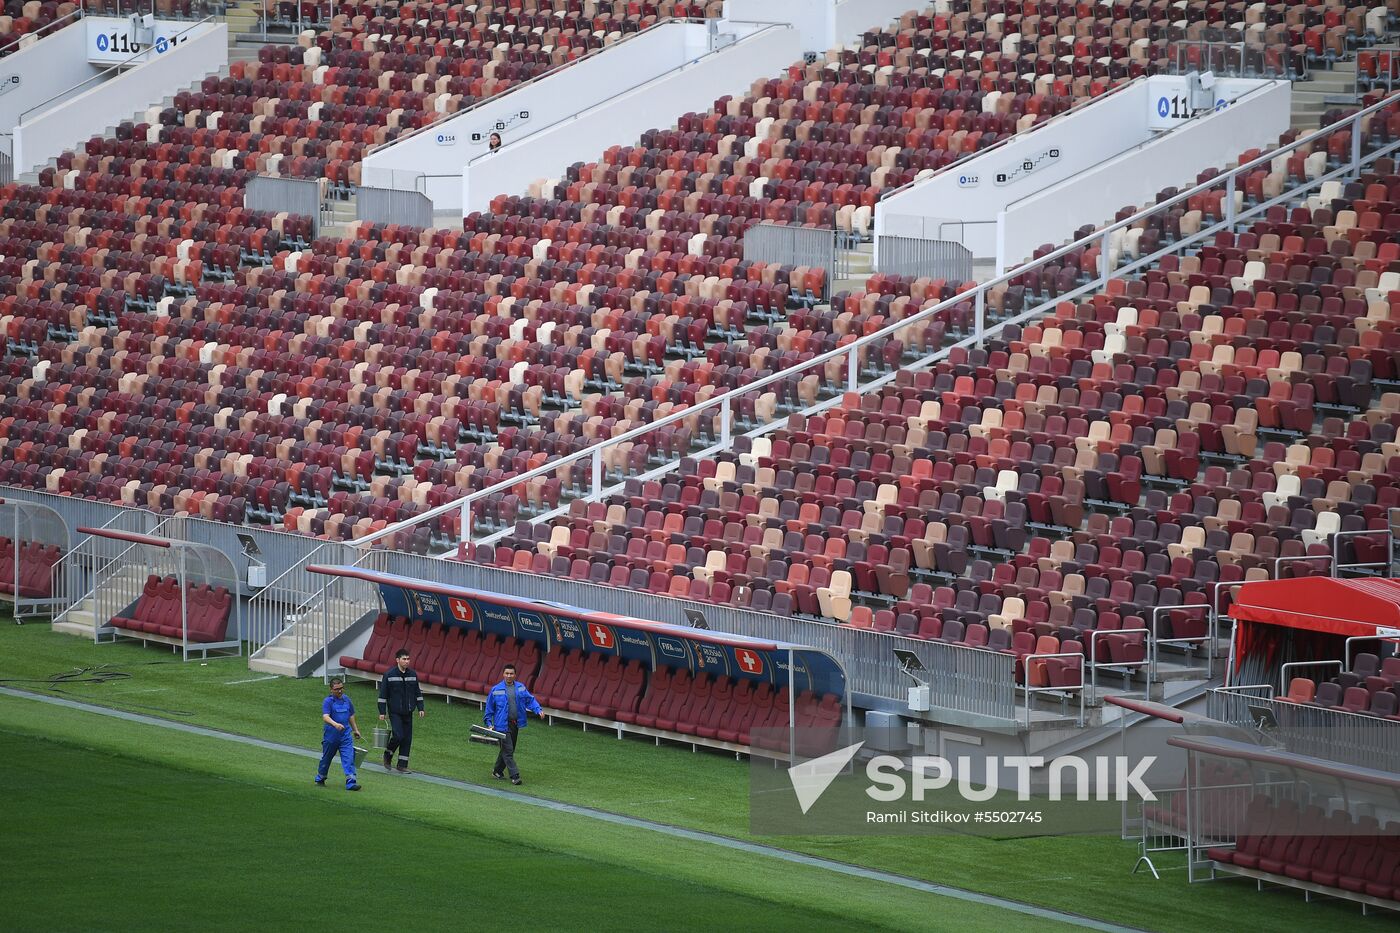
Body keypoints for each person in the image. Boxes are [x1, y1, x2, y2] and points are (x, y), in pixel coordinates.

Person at [483, 662, 543, 785]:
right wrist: (489, 724)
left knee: (507, 750)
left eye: (511, 673)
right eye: (507, 673)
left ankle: (497, 771)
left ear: (515, 675)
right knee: (508, 750)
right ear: (503, 675)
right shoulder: (495, 690)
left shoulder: (521, 687)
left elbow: (529, 700)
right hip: (501, 725)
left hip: (515, 724)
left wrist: (538, 709)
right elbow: (489, 709)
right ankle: (515, 776)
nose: (509, 676)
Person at [378, 647, 425, 773]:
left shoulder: (413, 675)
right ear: (397, 660)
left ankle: (402, 765)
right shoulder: (389, 675)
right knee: (398, 736)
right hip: (395, 712)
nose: (407, 661)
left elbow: (417, 692)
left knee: (407, 739)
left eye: (408, 659)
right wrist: (382, 712)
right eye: (404, 659)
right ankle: (388, 754)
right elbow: (383, 695)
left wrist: (421, 707)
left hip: (408, 712)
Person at [316, 677, 362, 790]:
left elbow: (351, 715)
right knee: (326, 758)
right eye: (337, 689)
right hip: (331, 736)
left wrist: (355, 730)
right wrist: (335, 724)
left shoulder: (347, 700)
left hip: (345, 735)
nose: (340, 691)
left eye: (341, 688)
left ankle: (351, 781)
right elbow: (325, 717)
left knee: (349, 757)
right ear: (331, 690)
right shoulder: (328, 701)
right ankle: (321, 776)